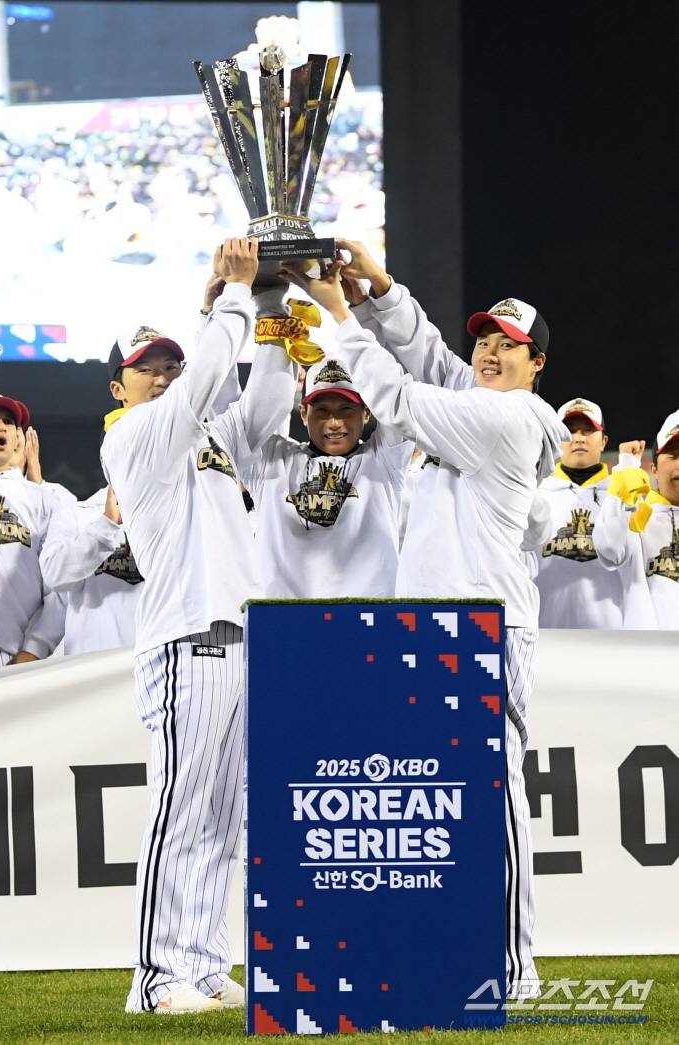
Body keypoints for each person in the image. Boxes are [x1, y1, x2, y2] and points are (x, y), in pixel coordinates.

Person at [290, 250, 569, 996]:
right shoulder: (477, 403)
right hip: (430, 628)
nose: (488, 349)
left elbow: (402, 395)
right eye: (486, 337)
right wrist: (380, 291)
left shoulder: (509, 416)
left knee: (493, 800)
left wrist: (339, 316)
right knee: (438, 809)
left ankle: (513, 965)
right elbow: (430, 357)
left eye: (508, 343)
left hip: (483, 627)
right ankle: (452, 952)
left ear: (535, 362)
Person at [101, 238, 295, 1015]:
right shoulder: (134, 434)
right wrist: (231, 298)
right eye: (146, 364)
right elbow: (211, 376)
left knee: (222, 818)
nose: (162, 372)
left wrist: (275, 311)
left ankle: (206, 963)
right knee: (182, 811)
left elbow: (269, 399)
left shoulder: (209, 433)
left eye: (168, 360)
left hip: (236, 634)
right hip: (185, 637)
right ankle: (154, 979)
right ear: (119, 383)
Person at [217, 351, 413, 599]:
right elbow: (226, 412)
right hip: (284, 623)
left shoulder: (385, 459)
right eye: (321, 410)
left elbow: (398, 387)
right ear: (303, 412)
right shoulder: (273, 461)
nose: (334, 422)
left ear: (366, 412)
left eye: (346, 409)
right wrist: (214, 320)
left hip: (368, 623)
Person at [534, 398, 642, 628]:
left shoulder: (626, 497)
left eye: (589, 430)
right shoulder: (536, 496)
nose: (579, 438)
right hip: (545, 635)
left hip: (612, 637)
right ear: (556, 440)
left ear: (603, 442)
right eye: (570, 431)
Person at [0, 388, 62, 667]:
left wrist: (34, 649)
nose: (1, 425)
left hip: (8, 657)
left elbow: (59, 586)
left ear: (18, 438)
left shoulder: (43, 499)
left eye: (10, 422)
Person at [594, 409, 679, 629]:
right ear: (654, 470)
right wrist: (625, 470)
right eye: (674, 455)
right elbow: (610, 549)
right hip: (647, 658)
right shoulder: (636, 519)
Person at [40, 483, 142, 654]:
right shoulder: (76, 514)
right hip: (90, 664)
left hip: (154, 663)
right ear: (104, 461)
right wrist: (106, 525)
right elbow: (53, 576)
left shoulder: (172, 515)